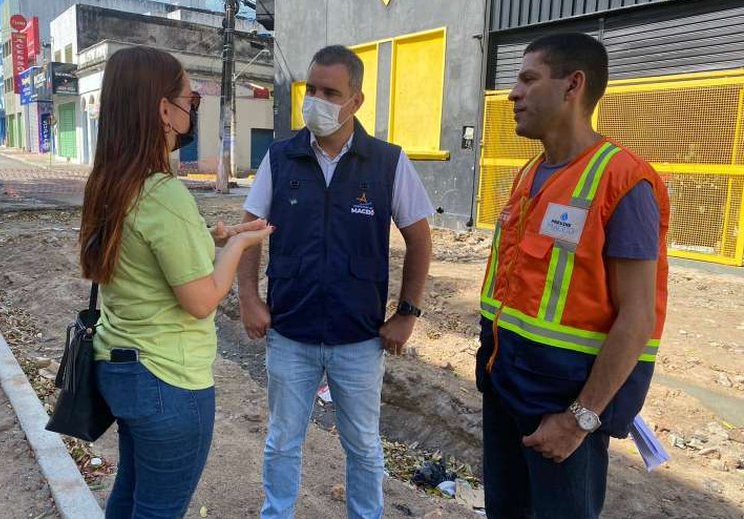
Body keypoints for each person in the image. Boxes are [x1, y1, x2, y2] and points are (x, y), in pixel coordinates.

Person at [476, 33, 670, 518]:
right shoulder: (529, 175)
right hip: (506, 392)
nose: (512, 93)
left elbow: (637, 317)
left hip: (564, 414)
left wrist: (579, 420)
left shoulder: (622, 181)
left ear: (572, 86)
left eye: (527, 78)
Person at [237, 45, 434, 519]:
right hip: (290, 332)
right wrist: (248, 298)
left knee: (364, 446)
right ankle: (276, 513)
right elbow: (249, 231)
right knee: (283, 439)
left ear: (356, 101)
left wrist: (407, 315)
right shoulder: (282, 158)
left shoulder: (387, 162)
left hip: (359, 339)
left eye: (330, 92)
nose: (316, 101)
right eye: (311, 89)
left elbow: (421, 240)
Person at [78, 46, 273, 519]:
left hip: (120, 369)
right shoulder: (164, 194)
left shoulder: (110, 182)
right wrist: (238, 248)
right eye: (191, 100)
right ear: (163, 109)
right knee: (158, 509)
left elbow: (142, 258)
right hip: (168, 381)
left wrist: (213, 237)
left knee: (129, 496)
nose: (192, 110)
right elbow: (202, 299)